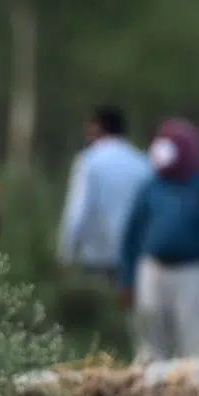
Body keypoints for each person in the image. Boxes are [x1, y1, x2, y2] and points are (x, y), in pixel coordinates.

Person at [118, 119, 199, 364]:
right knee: (151, 344)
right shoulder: (151, 186)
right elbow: (132, 235)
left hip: (191, 273)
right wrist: (126, 280)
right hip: (152, 271)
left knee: (194, 344)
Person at [57, 105, 152, 276]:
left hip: (97, 255)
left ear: (98, 127)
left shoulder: (88, 161)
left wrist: (65, 253)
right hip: (135, 254)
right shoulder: (142, 163)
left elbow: (77, 211)